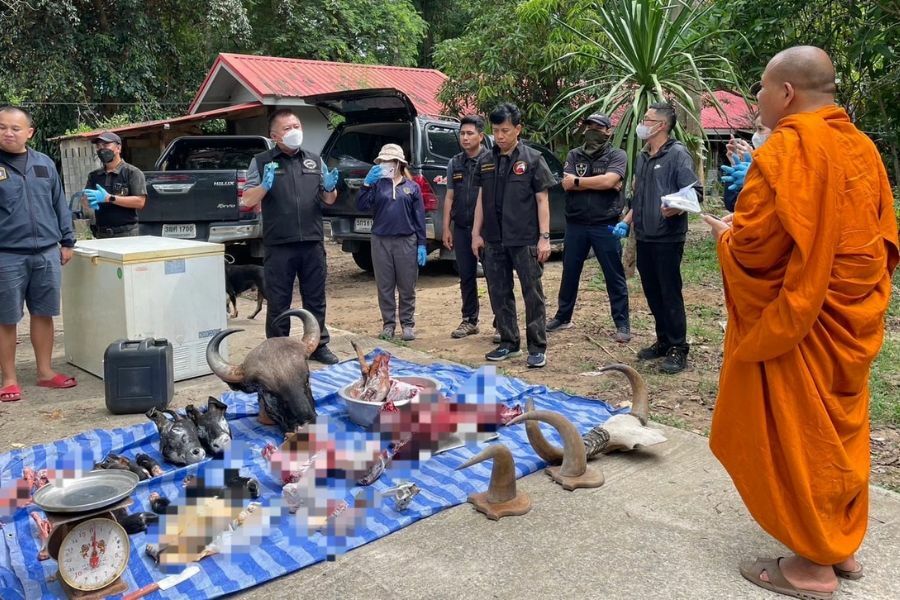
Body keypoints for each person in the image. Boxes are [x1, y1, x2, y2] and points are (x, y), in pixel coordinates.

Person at [702, 46, 898, 599]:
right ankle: (840, 544)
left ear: (786, 92)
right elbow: (878, 239)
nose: (757, 100)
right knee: (837, 429)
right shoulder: (862, 147)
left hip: (802, 320)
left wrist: (726, 236)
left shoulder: (788, 149)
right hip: (849, 319)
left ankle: (812, 568)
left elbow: (758, 250)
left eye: (761, 89)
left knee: (799, 434)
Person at [242, 109, 340, 364]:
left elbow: (328, 199)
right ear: (274, 135)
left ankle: (318, 346)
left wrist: (330, 188)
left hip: (311, 242)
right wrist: (264, 185)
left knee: (315, 299)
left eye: (297, 125)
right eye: (287, 128)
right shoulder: (261, 162)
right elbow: (247, 200)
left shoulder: (314, 160)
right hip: (279, 245)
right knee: (278, 301)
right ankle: (278, 351)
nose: (294, 131)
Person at [615, 101, 701, 374]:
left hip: (668, 237)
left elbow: (695, 194)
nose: (642, 123)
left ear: (661, 125)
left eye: (648, 119)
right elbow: (638, 195)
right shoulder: (643, 156)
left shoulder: (678, 155)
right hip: (645, 235)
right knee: (652, 291)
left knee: (669, 292)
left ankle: (678, 347)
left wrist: (676, 207)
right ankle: (663, 340)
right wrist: (626, 222)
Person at [0, 106, 78, 402]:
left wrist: (67, 241)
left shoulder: (44, 163)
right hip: (6, 255)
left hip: (46, 253)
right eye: (2, 127)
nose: (8, 132)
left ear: (29, 133)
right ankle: (9, 379)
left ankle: (45, 372)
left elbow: (59, 204)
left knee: (44, 314)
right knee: (6, 318)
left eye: (15, 128)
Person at [471, 103, 556, 368]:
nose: (500, 136)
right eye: (496, 130)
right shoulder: (485, 161)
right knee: (498, 292)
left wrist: (544, 237)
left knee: (532, 293)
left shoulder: (532, 159)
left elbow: (542, 199)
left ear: (518, 129)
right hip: (494, 239)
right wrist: (476, 233)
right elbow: (480, 199)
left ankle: (537, 346)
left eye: (506, 130)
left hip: (525, 239)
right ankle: (508, 342)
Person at [547, 113, 630, 342]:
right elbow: (567, 183)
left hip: (606, 224)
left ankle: (622, 324)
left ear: (608, 131)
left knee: (614, 275)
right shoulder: (575, 155)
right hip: (576, 224)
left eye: (598, 127)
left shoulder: (617, 155)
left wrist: (579, 182)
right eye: (589, 126)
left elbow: (609, 181)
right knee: (570, 272)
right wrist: (597, 182)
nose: (592, 130)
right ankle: (563, 317)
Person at [358, 144, 427, 341]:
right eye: (383, 161)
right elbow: (362, 206)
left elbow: (419, 217)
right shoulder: (377, 185)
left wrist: (421, 244)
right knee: (385, 286)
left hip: (406, 241)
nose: (386, 164)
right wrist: (365, 184)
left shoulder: (411, 187)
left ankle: (407, 324)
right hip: (381, 241)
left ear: (398, 163)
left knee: (407, 286)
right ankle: (388, 325)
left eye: (390, 161)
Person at [442, 115, 491, 339]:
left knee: (494, 276)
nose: (465, 137)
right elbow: (449, 197)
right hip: (461, 227)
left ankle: (502, 322)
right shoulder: (455, 162)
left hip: (488, 230)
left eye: (470, 133)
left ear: (481, 136)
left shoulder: (491, 160)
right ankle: (469, 320)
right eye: (462, 133)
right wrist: (446, 228)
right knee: (467, 276)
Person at [80, 131, 147, 238]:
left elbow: (140, 202)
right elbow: (85, 200)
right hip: (101, 234)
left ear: (118, 148)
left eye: (106, 145)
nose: (102, 149)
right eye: (98, 146)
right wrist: (86, 201)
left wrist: (109, 198)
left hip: (127, 234)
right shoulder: (94, 176)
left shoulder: (132, 172)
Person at [722, 114, 771, 212]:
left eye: (760, 129)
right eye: (755, 130)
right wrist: (736, 165)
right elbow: (732, 204)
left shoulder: (788, 163)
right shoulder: (750, 162)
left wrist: (756, 172)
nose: (755, 136)